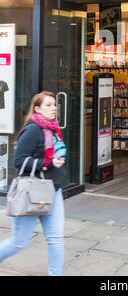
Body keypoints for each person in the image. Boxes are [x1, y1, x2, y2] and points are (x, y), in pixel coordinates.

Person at [0, 91, 67, 276]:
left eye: (54, 104)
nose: (53, 108)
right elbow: (19, 161)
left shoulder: (53, 128)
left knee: (56, 239)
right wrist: (48, 163)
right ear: (37, 108)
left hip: (53, 191)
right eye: (48, 105)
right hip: (32, 192)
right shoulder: (32, 130)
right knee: (18, 242)